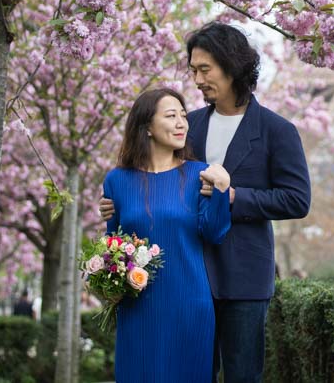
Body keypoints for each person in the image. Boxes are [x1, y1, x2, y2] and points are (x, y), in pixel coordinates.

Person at [100, 22, 311, 383]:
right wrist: (120, 203)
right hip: (182, 278)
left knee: (243, 376)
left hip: (242, 279)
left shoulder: (277, 130)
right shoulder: (189, 124)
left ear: (231, 66)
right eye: (193, 69)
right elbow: (156, 177)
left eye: (204, 69)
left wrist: (234, 197)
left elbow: (297, 200)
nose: (196, 79)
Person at [102, 86, 231, 382]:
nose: (181, 123)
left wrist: (221, 189)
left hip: (190, 304)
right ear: (146, 126)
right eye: (171, 116)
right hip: (138, 307)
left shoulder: (200, 174)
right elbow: (113, 246)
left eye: (183, 116)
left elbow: (215, 233)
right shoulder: (117, 180)